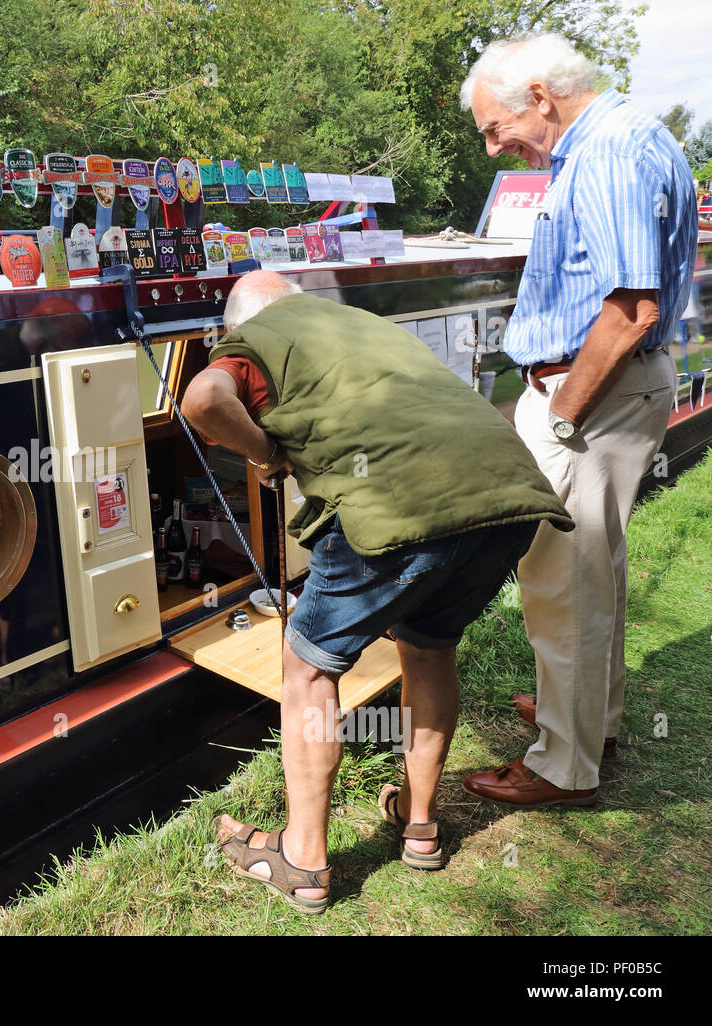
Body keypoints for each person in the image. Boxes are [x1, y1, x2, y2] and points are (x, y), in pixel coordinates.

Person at [183, 271, 572, 912]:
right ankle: (420, 826)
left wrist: (264, 451)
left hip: (402, 509)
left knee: (309, 666)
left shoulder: (253, 339)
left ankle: (302, 859)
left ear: (238, 325)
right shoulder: (363, 325)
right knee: (429, 646)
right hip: (510, 501)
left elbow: (202, 401)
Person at [459, 34, 697, 808]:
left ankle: (563, 764)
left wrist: (561, 414)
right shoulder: (627, 135)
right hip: (612, 390)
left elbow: (630, 310)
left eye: (495, 128)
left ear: (539, 96)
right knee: (594, 572)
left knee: (560, 580)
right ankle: (591, 719)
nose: (494, 148)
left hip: (592, 393)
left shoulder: (608, 151)